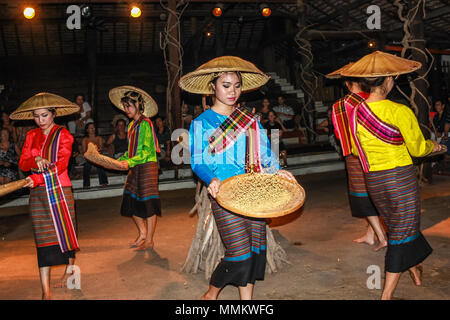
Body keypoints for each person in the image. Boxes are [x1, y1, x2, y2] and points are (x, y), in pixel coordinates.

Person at [180, 55, 295, 300]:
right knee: (240, 255)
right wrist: (210, 179)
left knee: (254, 252)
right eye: (226, 85)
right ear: (213, 87)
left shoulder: (250, 121)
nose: (233, 91)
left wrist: (277, 170)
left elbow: (264, 153)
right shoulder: (202, 122)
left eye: (237, 85)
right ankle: (211, 294)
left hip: (254, 192)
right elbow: (198, 160)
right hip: (224, 194)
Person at [340, 51, 443, 300]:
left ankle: (415, 272)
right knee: (401, 234)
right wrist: (436, 147)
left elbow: (354, 148)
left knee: (400, 228)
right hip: (400, 181)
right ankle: (386, 296)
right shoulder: (400, 111)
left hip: (374, 181)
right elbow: (418, 148)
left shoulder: (356, 113)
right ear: (388, 80)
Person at [11, 92, 80, 300]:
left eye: (44, 116)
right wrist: (35, 159)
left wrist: (39, 178)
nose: (40, 121)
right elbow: (23, 164)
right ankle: (45, 290)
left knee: (65, 233)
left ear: (54, 114)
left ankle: (69, 271)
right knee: (42, 239)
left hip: (59, 189)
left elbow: (61, 165)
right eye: (36, 116)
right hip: (38, 194)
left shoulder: (64, 136)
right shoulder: (31, 136)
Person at [327, 72, 387, 251]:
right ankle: (370, 235)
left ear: (347, 83)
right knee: (375, 193)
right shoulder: (373, 99)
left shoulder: (340, 105)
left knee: (363, 197)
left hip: (354, 156)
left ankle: (382, 237)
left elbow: (339, 135)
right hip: (377, 154)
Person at [109, 86, 161, 251]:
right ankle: (143, 233)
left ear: (138, 105)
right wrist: (119, 160)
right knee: (130, 200)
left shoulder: (146, 124)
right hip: (135, 165)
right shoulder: (131, 125)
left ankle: (150, 240)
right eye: (124, 106)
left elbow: (146, 151)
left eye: (129, 106)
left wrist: (129, 162)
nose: (126, 110)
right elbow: (131, 150)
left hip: (147, 166)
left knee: (148, 203)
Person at [82, 122, 108, 188]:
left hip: (97, 156)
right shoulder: (85, 139)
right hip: (88, 157)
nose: (93, 129)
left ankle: (104, 182)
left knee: (100, 164)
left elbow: (101, 149)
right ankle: (86, 184)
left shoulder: (99, 138)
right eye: (91, 128)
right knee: (86, 166)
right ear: (87, 130)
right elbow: (84, 151)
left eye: (93, 128)